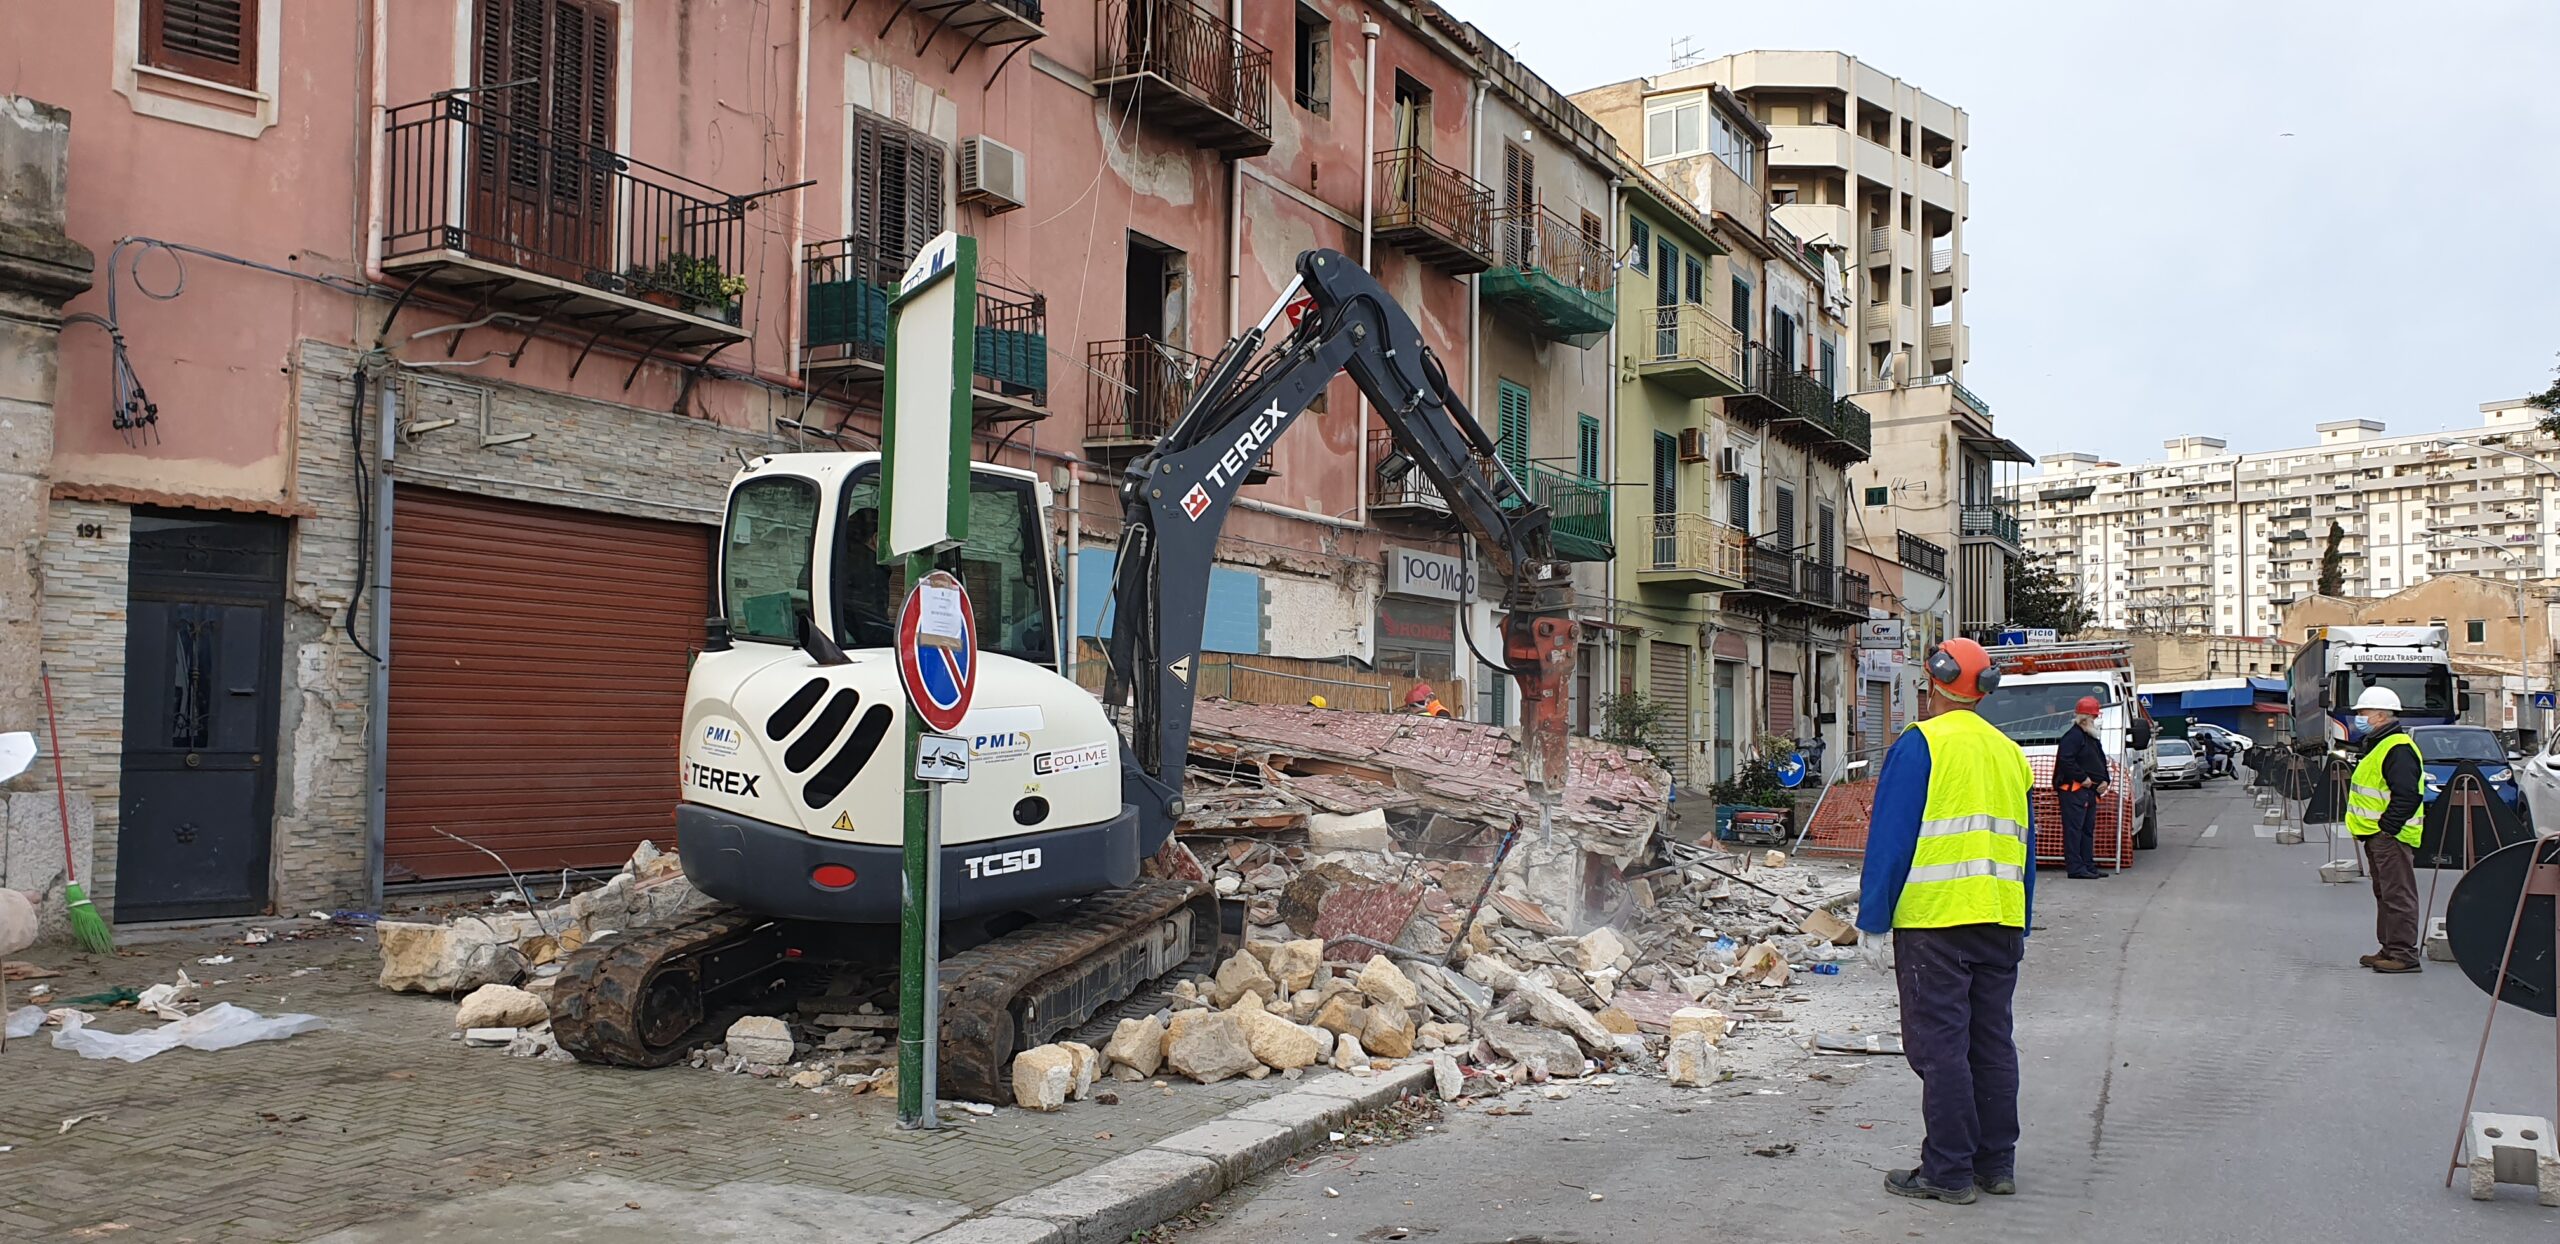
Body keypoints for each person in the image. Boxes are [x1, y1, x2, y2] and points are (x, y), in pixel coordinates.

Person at [1856, 637, 2035, 1206]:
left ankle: (1949, 1171)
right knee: (1991, 1042)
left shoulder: (1920, 744)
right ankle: (1995, 1165)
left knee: (1941, 1048)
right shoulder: (2009, 752)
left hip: (1935, 923)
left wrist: (1873, 918)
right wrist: (2020, 918)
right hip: (2000, 919)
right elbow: (2024, 850)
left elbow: (1891, 837)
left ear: (1933, 684)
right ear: (1982, 694)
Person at [2344, 686, 2425, 974]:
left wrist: (2387, 829)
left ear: (2380, 715)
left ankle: (2404, 954)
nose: (2358, 718)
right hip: (2379, 836)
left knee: (2398, 894)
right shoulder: (2380, 744)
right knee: (2385, 893)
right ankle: (2390, 948)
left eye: (2363, 713)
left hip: (2391, 837)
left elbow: (2407, 794)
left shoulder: (2397, 748)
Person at [2054, 695, 2110, 880]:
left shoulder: (2090, 737)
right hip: (2074, 791)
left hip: (2089, 791)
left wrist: (2105, 781)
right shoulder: (2073, 737)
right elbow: (2066, 760)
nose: (2096, 720)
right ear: (2085, 718)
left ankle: (2088, 865)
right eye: (2094, 717)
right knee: (2074, 830)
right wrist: (2082, 778)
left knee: (2086, 830)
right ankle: (2076, 867)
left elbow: (2099, 760)